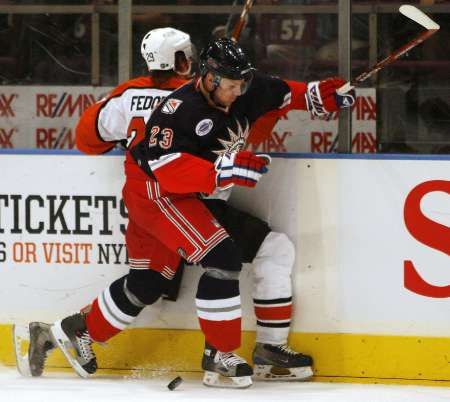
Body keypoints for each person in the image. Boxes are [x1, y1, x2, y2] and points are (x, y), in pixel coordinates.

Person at [18, 36, 355, 389]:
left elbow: (284, 92)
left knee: (151, 283)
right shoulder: (178, 110)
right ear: (208, 78)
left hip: (193, 198)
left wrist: (318, 97)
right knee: (222, 257)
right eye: (230, 85)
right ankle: (219, 356)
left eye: (242, 84)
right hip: (159, 195)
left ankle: (72, 331)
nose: (237, 92)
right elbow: (165, 168)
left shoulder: (246, 88)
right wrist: (220, 173)